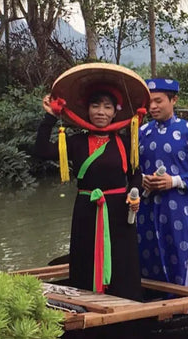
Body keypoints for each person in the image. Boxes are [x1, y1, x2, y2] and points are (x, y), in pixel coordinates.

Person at [34, 63, 149, 301]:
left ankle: (126, 306)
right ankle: (87, 305)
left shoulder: (126, 142)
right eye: (95, 106)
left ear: (115, 112)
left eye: (107, 107)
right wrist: (50, 117)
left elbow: (136, 174)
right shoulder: (75, 142)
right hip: (87, 210)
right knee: (85, 256)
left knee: (121, 261)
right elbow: (41, 150)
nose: (101, 112)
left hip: (119, 211)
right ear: (87, 109)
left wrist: (135, 192)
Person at [137, 78, 188, 288]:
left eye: (158, 101)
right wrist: (142, 179)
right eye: (149, 102)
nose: (152, 107)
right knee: (147, 250)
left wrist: (175, 180)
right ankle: (152, 300)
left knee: (178, 254)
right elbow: (130, 168)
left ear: (174, 100)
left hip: (177, 206)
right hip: (145, 206)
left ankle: (183, 304)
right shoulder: (141, 133)